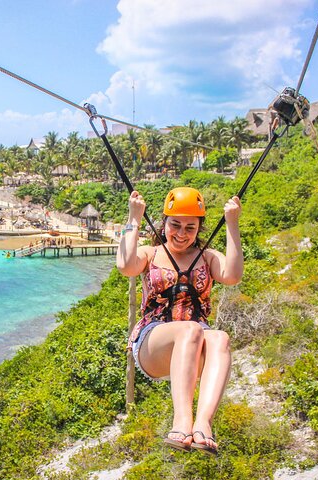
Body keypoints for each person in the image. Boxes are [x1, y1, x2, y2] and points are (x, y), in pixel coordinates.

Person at [116, 187, 243, 455]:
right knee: (191, 329)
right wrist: (134, 219)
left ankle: (203, 425)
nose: (182, 234)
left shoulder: (207, 257)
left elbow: (232, 275)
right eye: (175, 225)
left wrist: (232, 223)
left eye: (190, 228)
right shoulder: (150, 254)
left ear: (199, 229)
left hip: (194, 345)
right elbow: (125, 265)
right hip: (154, 344)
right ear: (164, 224)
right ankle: (181, 421)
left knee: (219, 337)